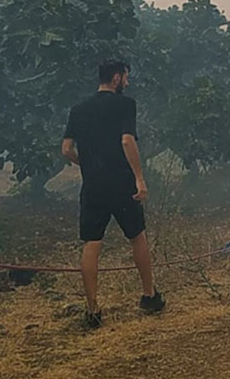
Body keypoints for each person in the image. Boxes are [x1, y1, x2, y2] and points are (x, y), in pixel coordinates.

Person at [61, 59, 164, 329]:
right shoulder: (125, 104)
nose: (127, 83)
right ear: (117, 78)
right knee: (137, 237)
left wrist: (87, 164)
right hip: (121, 183)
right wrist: (140, 179)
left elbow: (66, 149)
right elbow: (127, 140)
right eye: (126, 77)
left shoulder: (78, 109)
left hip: (93, 185)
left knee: (92, 244)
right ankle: (149, 295)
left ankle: (93, 309)